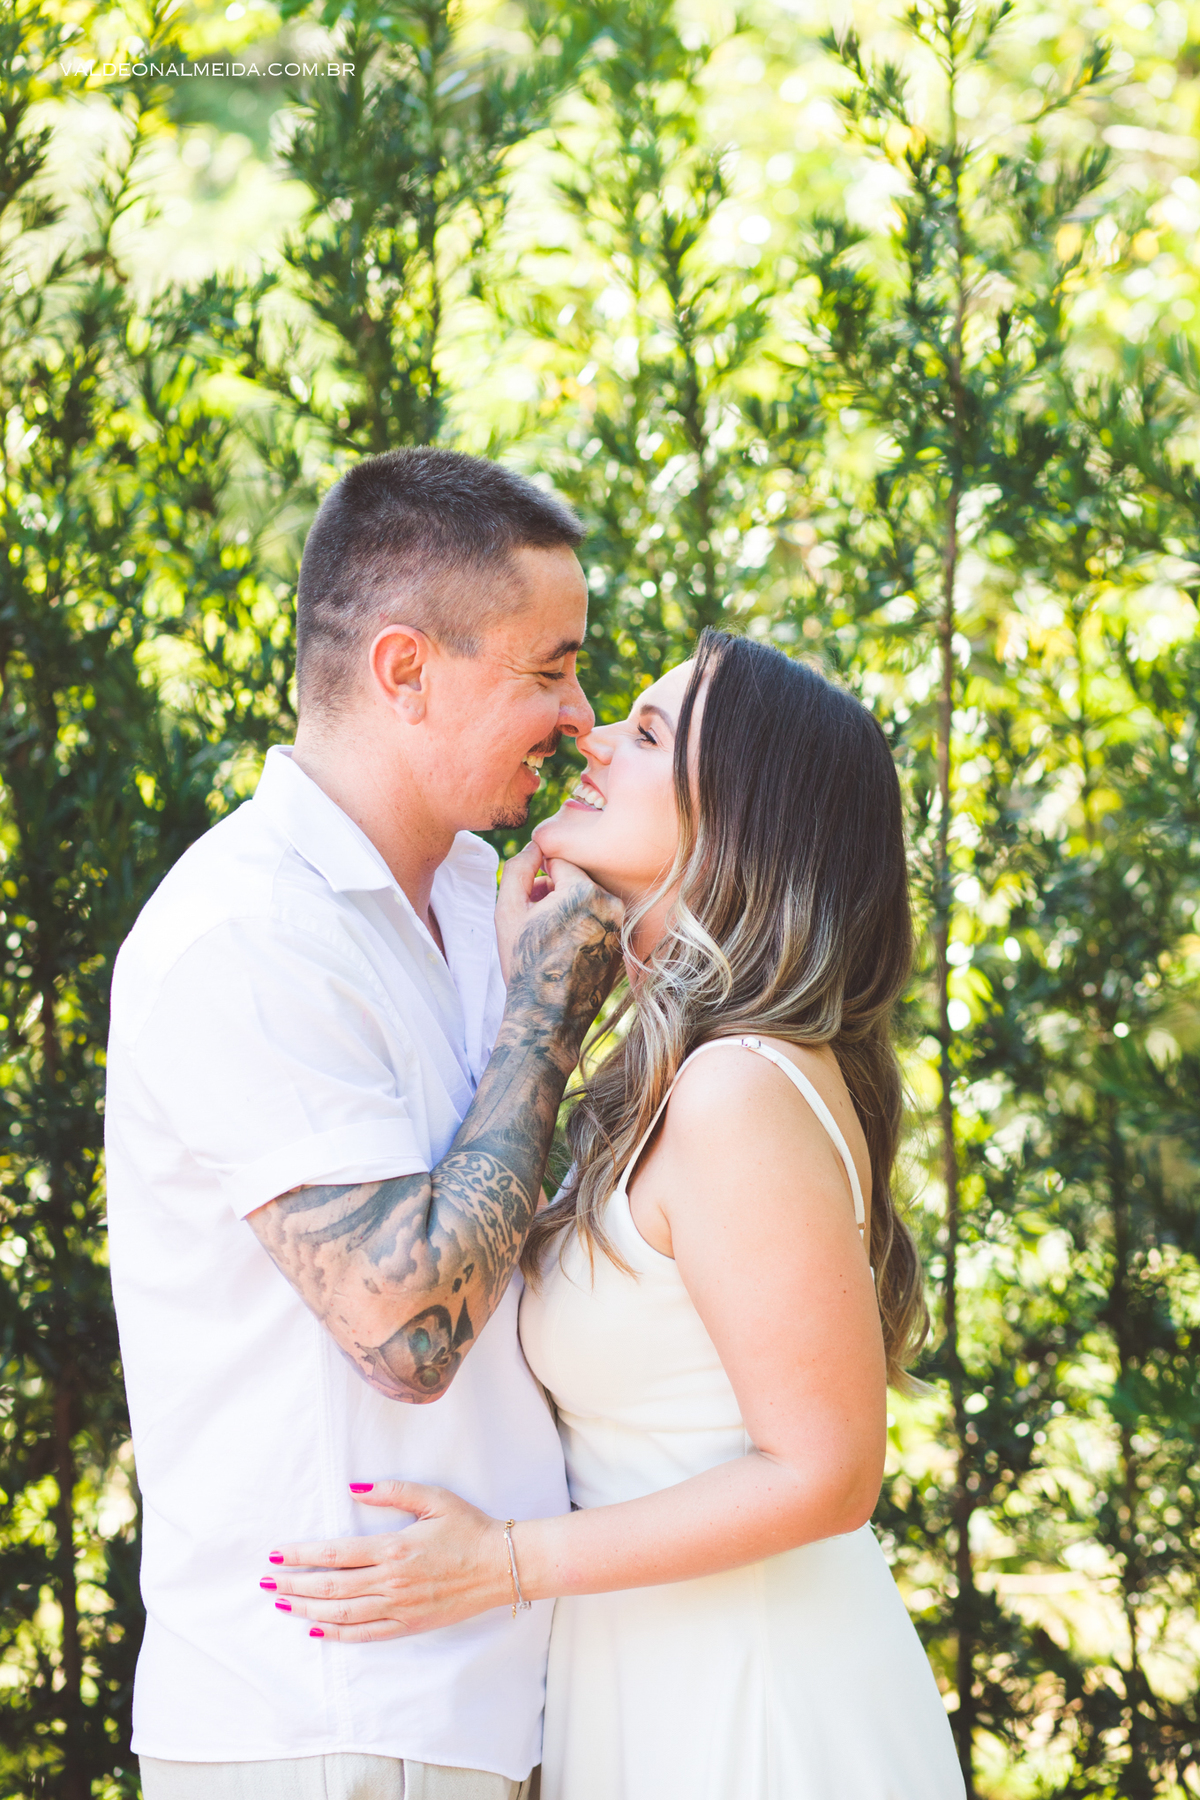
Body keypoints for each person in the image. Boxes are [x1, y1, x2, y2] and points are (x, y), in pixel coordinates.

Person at [262, 630, 968, 1800]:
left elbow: (830, 1470)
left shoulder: (740, 1085)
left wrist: (501, 1566)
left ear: (739, 820)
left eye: (645, 734)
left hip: (759, 1700)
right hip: (648, 1678)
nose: (590, 737)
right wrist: (522, 986)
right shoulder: (664, 1078)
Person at [104, 448, 624, 1800]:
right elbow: (406, 1330)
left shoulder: (474, 895)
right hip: (325, 1719)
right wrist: (548, 1016)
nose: (579, 715)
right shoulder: (247, 934)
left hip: (494, 1698)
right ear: (404, 670)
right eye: (546, 669)